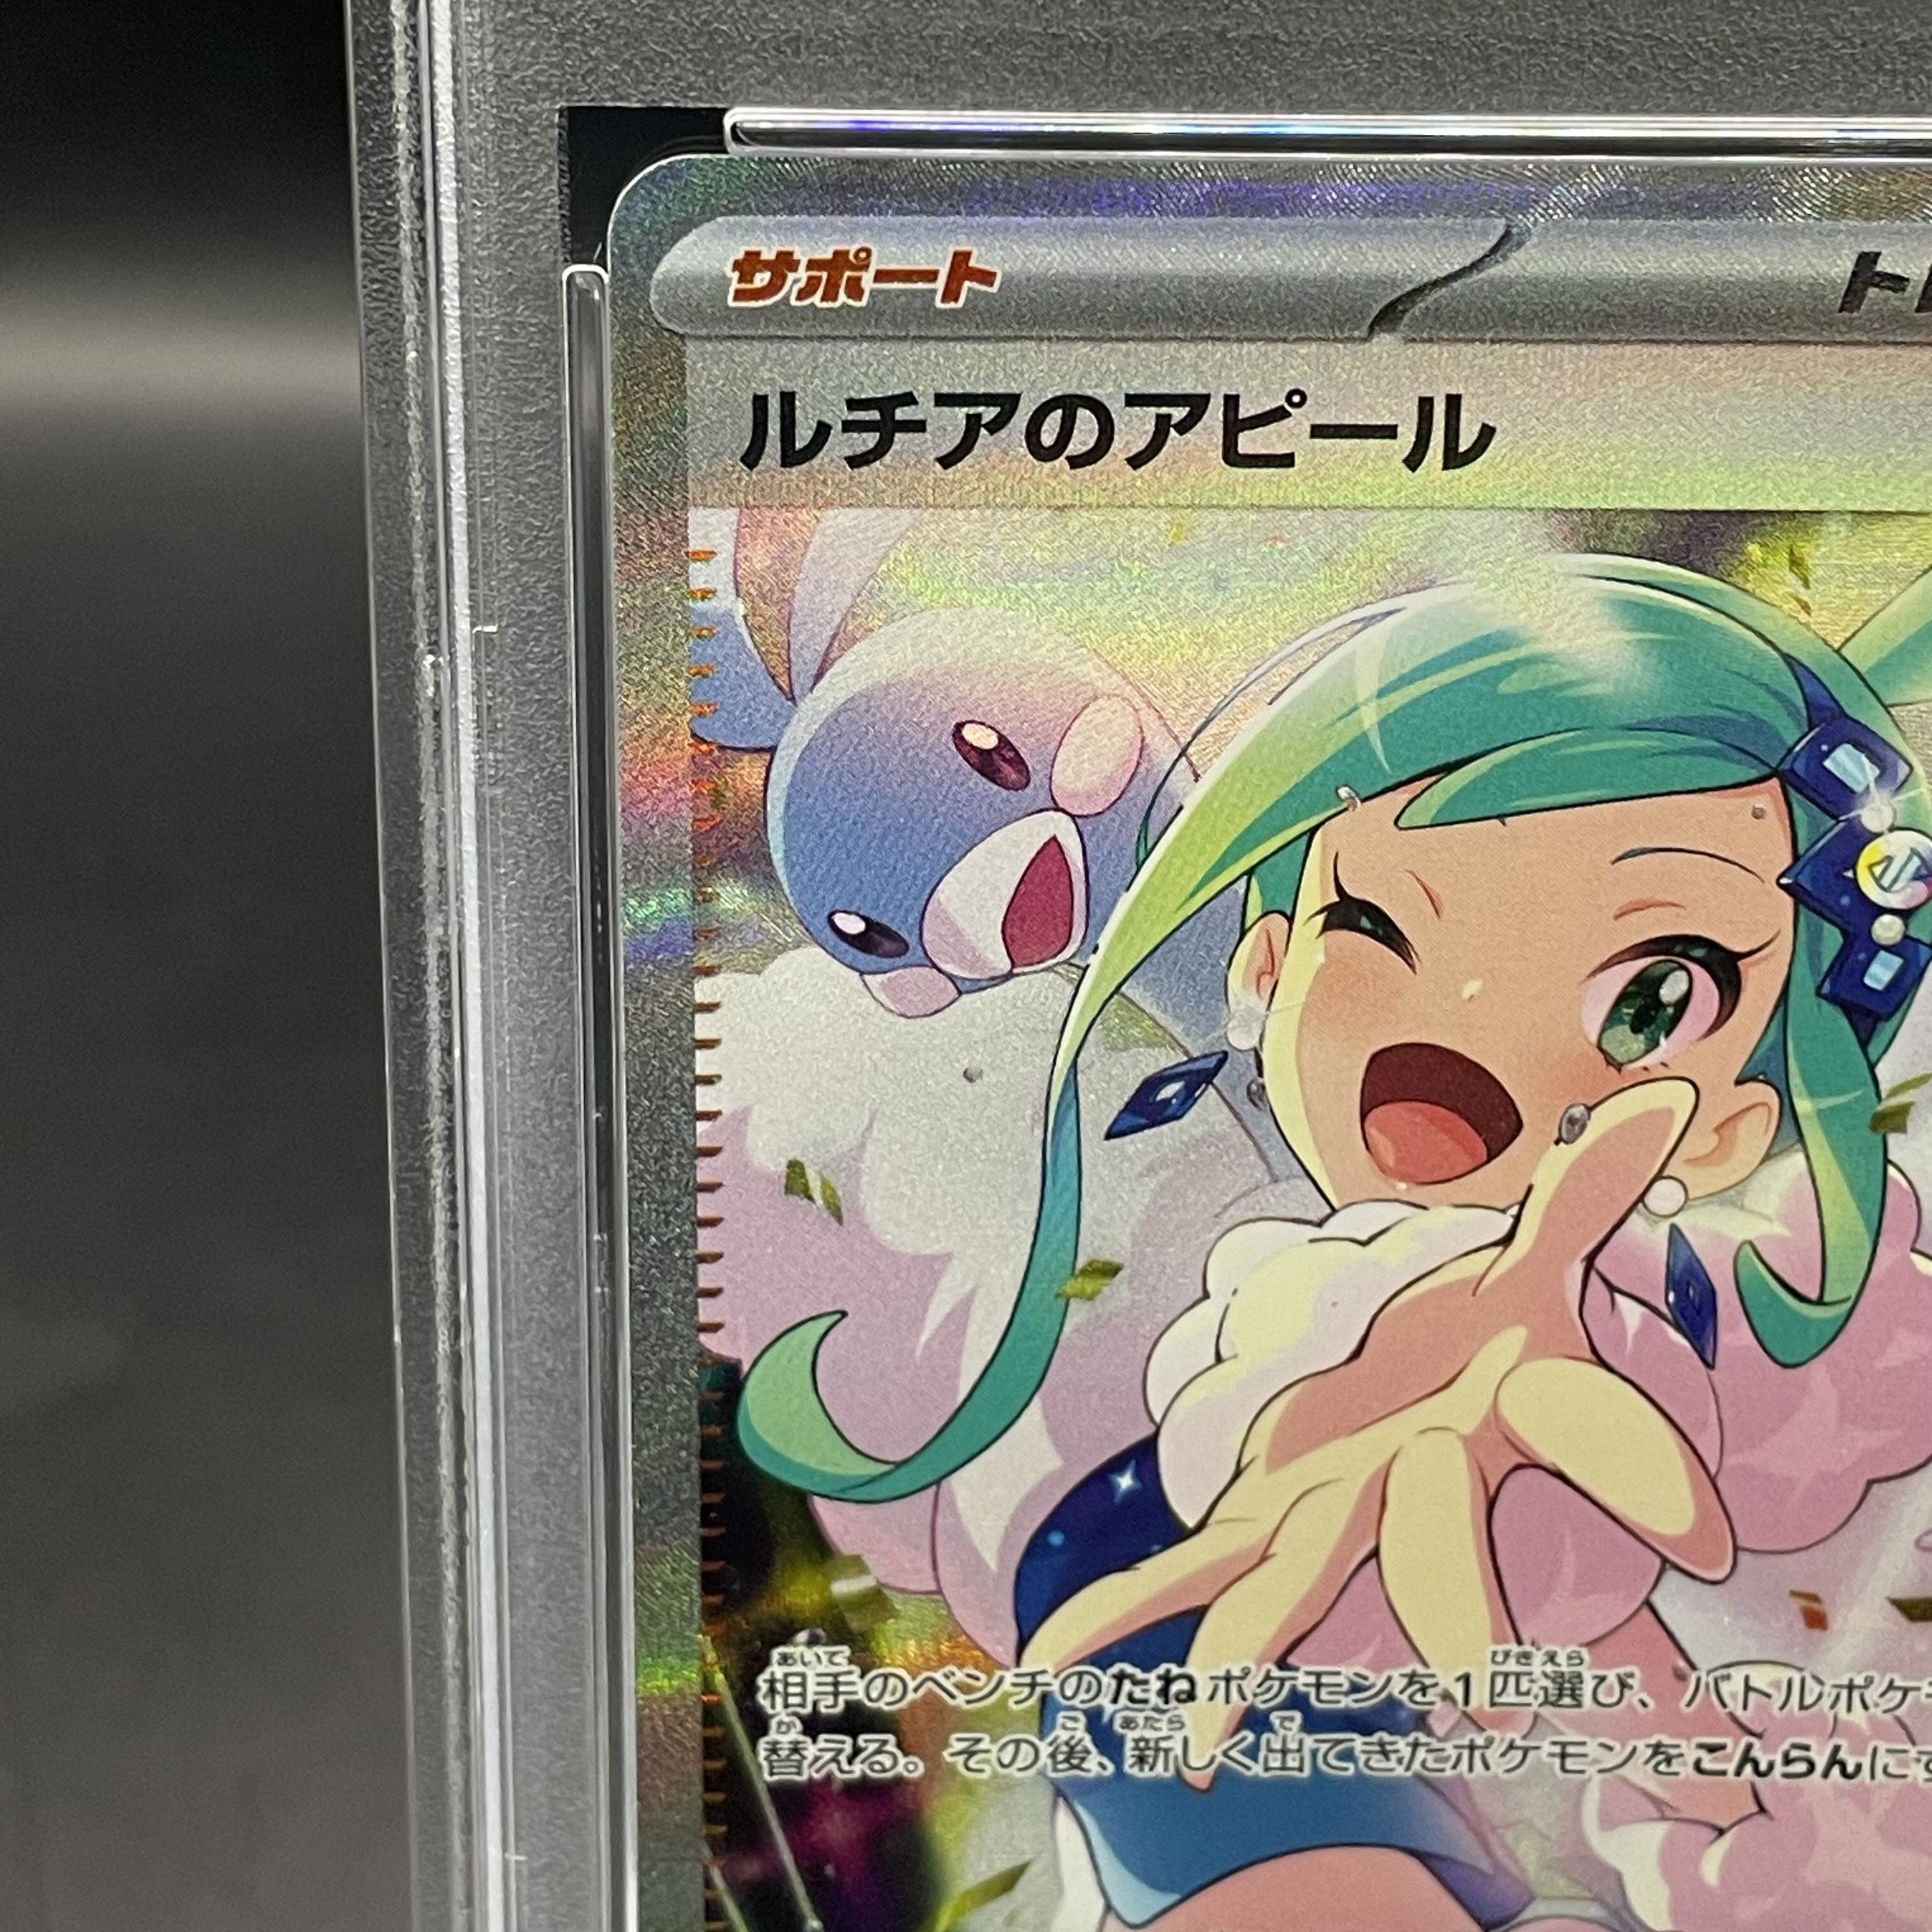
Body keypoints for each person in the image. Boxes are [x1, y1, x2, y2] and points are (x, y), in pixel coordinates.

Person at [740, 555, 1932, 1929]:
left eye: (1649, 997)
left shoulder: (1790, 1329)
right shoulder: (1210, 1491)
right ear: (1269, 966)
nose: (1458, 1027)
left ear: (1736, 1124)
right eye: (1372, 925)